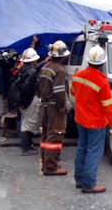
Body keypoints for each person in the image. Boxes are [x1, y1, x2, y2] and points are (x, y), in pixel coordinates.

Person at [70, 45, 112, 193]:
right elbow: (108, 106)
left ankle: (79, 179)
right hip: (96, 122)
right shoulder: (102, 82)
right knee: (93, 152)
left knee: (82, 149)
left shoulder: (77, 76)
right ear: (102, 63)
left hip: (80, 119)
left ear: (88, 60)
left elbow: (72, 91)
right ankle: (89, 184)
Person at [38, 41, 71, 175]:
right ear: (63, 56)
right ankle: (51, 167)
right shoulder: (60, 70)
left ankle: (46, 162)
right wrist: (62, 107)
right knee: (55, 135)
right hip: (54, 107)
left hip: (44, 105)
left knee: (46, 135)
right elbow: (58, 92)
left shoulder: (45, 67)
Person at [17, 47, 44, 155]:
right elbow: (27, 89)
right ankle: (26, 148)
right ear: (33, 60)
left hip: (22, 101)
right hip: (28, 101)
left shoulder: (23, 69)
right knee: (28, 124)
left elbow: (34, 69)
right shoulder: (31, 72)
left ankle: (27, 145)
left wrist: (44, 62)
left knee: (25, 121)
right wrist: (25, 103)